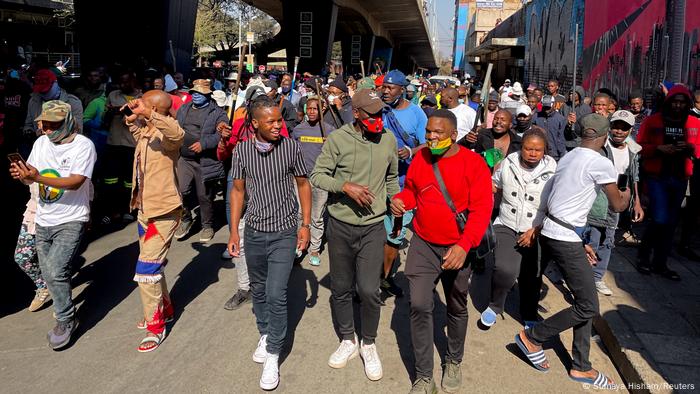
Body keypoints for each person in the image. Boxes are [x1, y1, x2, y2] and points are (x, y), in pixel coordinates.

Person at [513, 113, 630, 390]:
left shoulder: (569, 155)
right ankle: (534, 337)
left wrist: (581, 241)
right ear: (603, 138)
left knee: (584, 300)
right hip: (565, 237)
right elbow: (616, 206)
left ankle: (581, 366)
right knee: (588, 304)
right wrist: (625, 196)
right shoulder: (601, 163)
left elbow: (561, 200)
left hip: (558, 232)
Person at [390, 110, 492, 393]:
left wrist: (464, 245)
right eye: (429, 133)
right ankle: (424, 377)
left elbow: (482, 209)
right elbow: (413, 190)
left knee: (457, 306)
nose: (432, 138)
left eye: (439, 133)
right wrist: (401, 200)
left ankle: (454, 359)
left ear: (454, 135)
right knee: (420, 304)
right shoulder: (420, 159)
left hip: (458, 246)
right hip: (423, 243)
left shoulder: (474, 164)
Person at [310, 89, 399, 382]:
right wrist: (345, 186)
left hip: (373, 227)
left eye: (380, 113)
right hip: (340, 226)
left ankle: (368, 343)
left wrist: (394, 200)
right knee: (341, 287)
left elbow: (390, 178)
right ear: (357, 114)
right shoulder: (337, 139)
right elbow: (317, 175)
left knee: (370, 290)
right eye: (371, 114)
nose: (377, 119)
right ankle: (348, 339)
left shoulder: (387, 139)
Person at [227, 97, 312, 390]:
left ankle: (274, 353)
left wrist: (305, 225)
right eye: (271, 122)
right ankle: (265, 332)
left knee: (276, 293)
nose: (278, 126)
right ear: (255, 124)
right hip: (253, 232)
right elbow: (237, 191)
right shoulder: (242, 151)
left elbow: (303, 184)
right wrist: (234, 231)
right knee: (259, 290)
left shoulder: (290, 147)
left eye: (280, 120)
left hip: (285, 232)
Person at [10, 100, 97, 350]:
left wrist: (36, 177)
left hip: (71, 218)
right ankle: (62, 304)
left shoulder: (84, 146)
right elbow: (32, 178)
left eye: (52, 125)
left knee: (56, 270)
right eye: (44, 124)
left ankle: (65, 319)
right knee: (49, 272)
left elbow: (76, 181)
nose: (46, 130)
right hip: (43, 217)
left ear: (67, 121)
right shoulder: (40, 143)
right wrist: (24, 177)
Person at [122, 90, 184, 352]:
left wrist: (148, 114)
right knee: (153, 267)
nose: (139, 105)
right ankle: (165, 308)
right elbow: (135, 132)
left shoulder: (168, 136)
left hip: (164, 212)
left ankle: (155, 326)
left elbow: (177, 134)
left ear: (155, 110)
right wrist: (132, 116)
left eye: (144, 103)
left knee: (145, 270)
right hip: (144, 210)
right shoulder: (147, 132)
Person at [480, 129, 556, 328]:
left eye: (537, 150)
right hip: (507, 223)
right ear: (521, 148)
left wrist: (536, 230)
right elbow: (494, 184)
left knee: (532, 275)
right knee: (505, 269)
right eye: (528, 149)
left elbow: (556, 205)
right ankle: (495, 305)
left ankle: (529, 312)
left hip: (537, 229)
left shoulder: (554, 171)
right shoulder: (509, 163)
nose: (532, 153)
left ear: (544, 151)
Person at [636, 85, 700, 280]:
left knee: (671, 222)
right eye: (675, 101)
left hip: (680, 177)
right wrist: (658, 149)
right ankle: (644, 257)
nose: (678, 105)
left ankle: (660, 263)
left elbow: (699, 149)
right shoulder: (652, 120)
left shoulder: (695, 123)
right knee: (659, 218)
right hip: (658, 177)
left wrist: (690, 147)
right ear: (668, 101)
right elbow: (638, 146)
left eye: (682, 102)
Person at [584, 110, 643, 296]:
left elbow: (635, 178)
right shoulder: (601, 147)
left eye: (624, 128)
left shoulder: (633, 151)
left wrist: (637, 202)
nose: (619, 131)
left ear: (630, 130)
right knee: (591, 239)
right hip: (596, 201)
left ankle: (597, 277)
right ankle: (584, 279)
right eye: (616, 126)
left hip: (616, 203)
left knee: (608, 241)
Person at [380, 70, 428, 297]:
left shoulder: (417, 114)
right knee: (373, 231)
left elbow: (430, 143)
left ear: (402, 90)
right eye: (384, 87)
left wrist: (410, 150)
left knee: (395, 234)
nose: (386, 91)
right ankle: (367, 279)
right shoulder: (377, 109)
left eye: (391, 88)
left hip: (404, 185)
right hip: (377, 182)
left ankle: (384, 278)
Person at [174, 79, 228, 242]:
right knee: (181, 191)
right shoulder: (184, 109)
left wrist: (204, 144)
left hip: (205, 160)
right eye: (193, 93)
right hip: (185, 158)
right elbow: (176, 127)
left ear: (208, 94)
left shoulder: (218, 113)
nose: (196, 96)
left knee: (204, 196)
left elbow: (222, 133)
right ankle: (186, 219)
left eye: (200, 93)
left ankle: (207, 225)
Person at [293, 96, 335, 266]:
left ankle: (315, 248)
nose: (311, 112)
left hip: (320, 180)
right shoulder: (298, 130)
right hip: (301, 179)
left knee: (317, 216)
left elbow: (335, 157)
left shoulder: (329, 131)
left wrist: (329, 145)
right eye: (309, 108)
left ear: (322, 110)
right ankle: (300, 245)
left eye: (315, 109)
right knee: (300, 215)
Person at [101, 71, 141, 224]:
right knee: (110, 180)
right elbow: (104, 121)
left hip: (132, 144)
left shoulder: (142, 97)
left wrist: (126, 111)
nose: (123, 85)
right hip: (114, 143)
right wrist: (111, 112)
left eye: (126, 82)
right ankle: (111, 210)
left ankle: (128, 210)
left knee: (129, 180)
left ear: (133, 81)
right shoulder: (113, 95)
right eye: (121, 82)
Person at [14, 183, 51, 312]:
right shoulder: (33, 161)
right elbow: (28, 181)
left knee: (57, 259)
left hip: (61, 213)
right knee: (22, 257)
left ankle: (63, 308)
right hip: (34, 210)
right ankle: (43, 285)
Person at [24, 69, 83, 136]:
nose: (44, 93)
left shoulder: (73, 103)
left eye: (46, 90)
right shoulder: (33, 101)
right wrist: (29, 132)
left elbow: (78, 131)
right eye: (41, 91)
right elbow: (28, 124)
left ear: (55, 83)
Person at [534, 95, 567, 161]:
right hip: (539, 154)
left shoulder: (560, 119)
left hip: (554, 156)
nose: (546, 110)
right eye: (545, 107)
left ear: (554, 105)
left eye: (548, 107)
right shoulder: (535, 117)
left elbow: (561, 139)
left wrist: (562, 155)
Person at [561, 86, 592, 151]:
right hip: (565, 140)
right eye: (570, 93)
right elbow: (560, 120)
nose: (571, 95)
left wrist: (576, 122)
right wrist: (567, 122)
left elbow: (586, 125)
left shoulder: (586, 109)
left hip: (579, 142)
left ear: (580, 95)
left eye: (574, 94)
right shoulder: (565, 106)